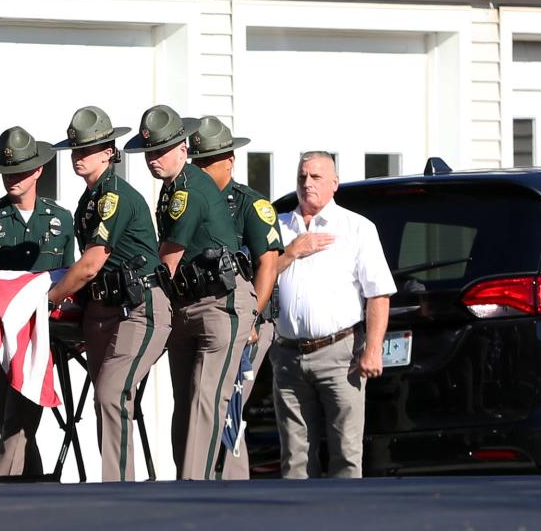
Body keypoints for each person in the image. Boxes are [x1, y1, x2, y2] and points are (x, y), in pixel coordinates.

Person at [124, 105, 256, 480]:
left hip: (219, 302)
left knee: (206, 398)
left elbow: (168, 256)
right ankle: (186, 482)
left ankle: (193, 487)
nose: (153, 159)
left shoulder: (188, 187)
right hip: (187, 304)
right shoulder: (170, 189)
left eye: (161, 150)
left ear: (183, 148)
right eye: (149, 153)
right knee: (185, 402)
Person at [47, 106, 170, 482]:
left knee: (111, 394)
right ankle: (117, 485)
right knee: (109, 401)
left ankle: (118, 492)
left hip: (139, 306)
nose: (79, 156)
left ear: (109, 151)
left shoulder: (114, 195)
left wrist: (47, 300)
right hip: (104, 309)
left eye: (89, 148)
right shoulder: (89, 200)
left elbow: (89, 264)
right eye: (76, 149)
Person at [272, 151, 395, 478]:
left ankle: (345, 519)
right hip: (287, 353)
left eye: (315, 177)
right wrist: (291, 253)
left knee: (345, 451)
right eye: (302, 177)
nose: (307, 183)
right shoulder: (279, 226)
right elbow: (258, 278)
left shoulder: (356, 228)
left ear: (334, 184)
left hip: (340, 353)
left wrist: (372, 349)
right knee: (295, 457)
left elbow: (378, 294)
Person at [0, 126, 75, 478]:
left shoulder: (61, 219)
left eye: (20, 170)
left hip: (42, 335)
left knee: (17, 424)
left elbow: (69, 277)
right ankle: (35, 495)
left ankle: (5, 493)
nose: (12, 178)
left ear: (39, 169)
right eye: (6, 171)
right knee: (11, 425)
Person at [187, 116, 283, 479]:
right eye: (196, 162)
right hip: (207, 313)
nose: (200, 169)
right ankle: (203, 476)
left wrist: (252, 319)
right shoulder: (192, 201)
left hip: (247, 320)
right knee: (202, 398)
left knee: (230, 400)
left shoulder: (249, 205)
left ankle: (232, 483)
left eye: (208, 161)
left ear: (229, 159)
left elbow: (268, 265)